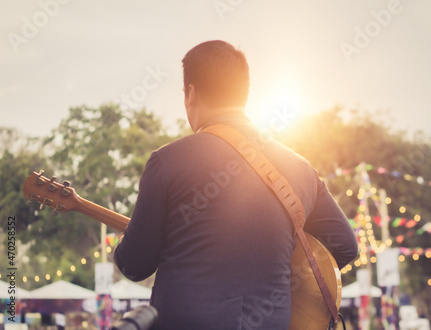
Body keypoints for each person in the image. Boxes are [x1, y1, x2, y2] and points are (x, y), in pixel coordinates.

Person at [114, 40, 358, 329]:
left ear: (191, 94)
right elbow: (345, 245)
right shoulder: (301, 169)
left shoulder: (168, 161)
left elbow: (135, 265)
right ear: (243, 93)